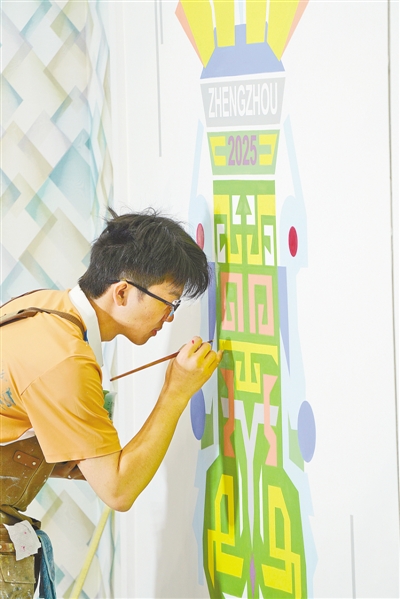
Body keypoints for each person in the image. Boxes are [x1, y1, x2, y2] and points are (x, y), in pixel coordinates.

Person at [0, 208, 223, 598]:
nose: (170, 318)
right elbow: (118, 491)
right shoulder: (64, 360)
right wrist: (176, 392)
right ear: (122, 292)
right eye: (169, 302)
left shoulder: (41, 305)